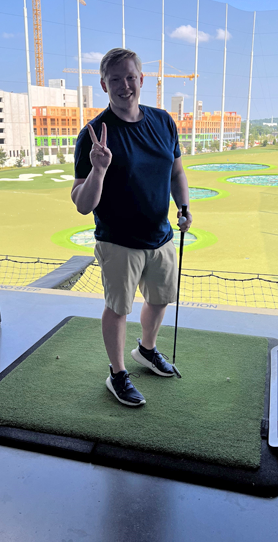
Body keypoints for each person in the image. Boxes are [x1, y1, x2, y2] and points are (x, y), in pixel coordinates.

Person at [71, 48, 192, 407]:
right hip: (118, 241)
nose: (124, 86)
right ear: (104, 85)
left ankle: (147, 350)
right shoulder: (93, 135)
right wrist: (98, 169)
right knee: (119, 308)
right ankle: (118, 373)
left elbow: (177, 171)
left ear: (142, 79)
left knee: (160, 300)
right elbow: (82, 204)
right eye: (115, 80)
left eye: (130, 77)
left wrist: (183, 207)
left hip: (161, 236)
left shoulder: (163, 121)